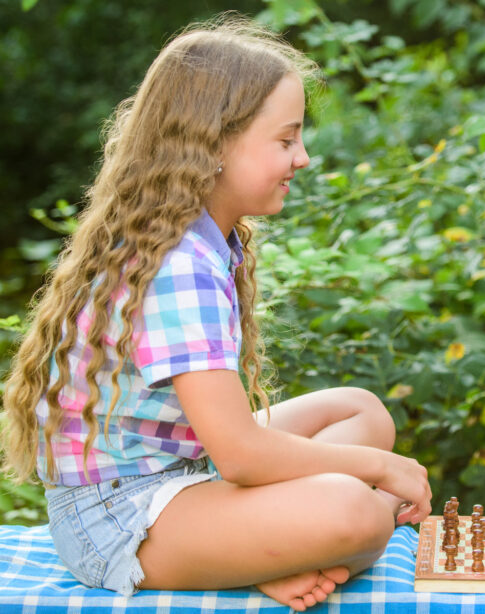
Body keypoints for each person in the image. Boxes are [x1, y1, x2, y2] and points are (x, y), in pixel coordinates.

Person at [1, 16, 431, 611]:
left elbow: (228, 451)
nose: (303, 157)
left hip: (185, 471)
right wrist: (381, 470)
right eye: (285, 140)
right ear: (215, 146)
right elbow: (242, 455)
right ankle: (273, 549)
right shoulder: (177, 266)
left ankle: (268, 550)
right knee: (355, 507)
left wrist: (370, 462)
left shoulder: (203, 243)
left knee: (361, 409)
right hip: (121, 520)